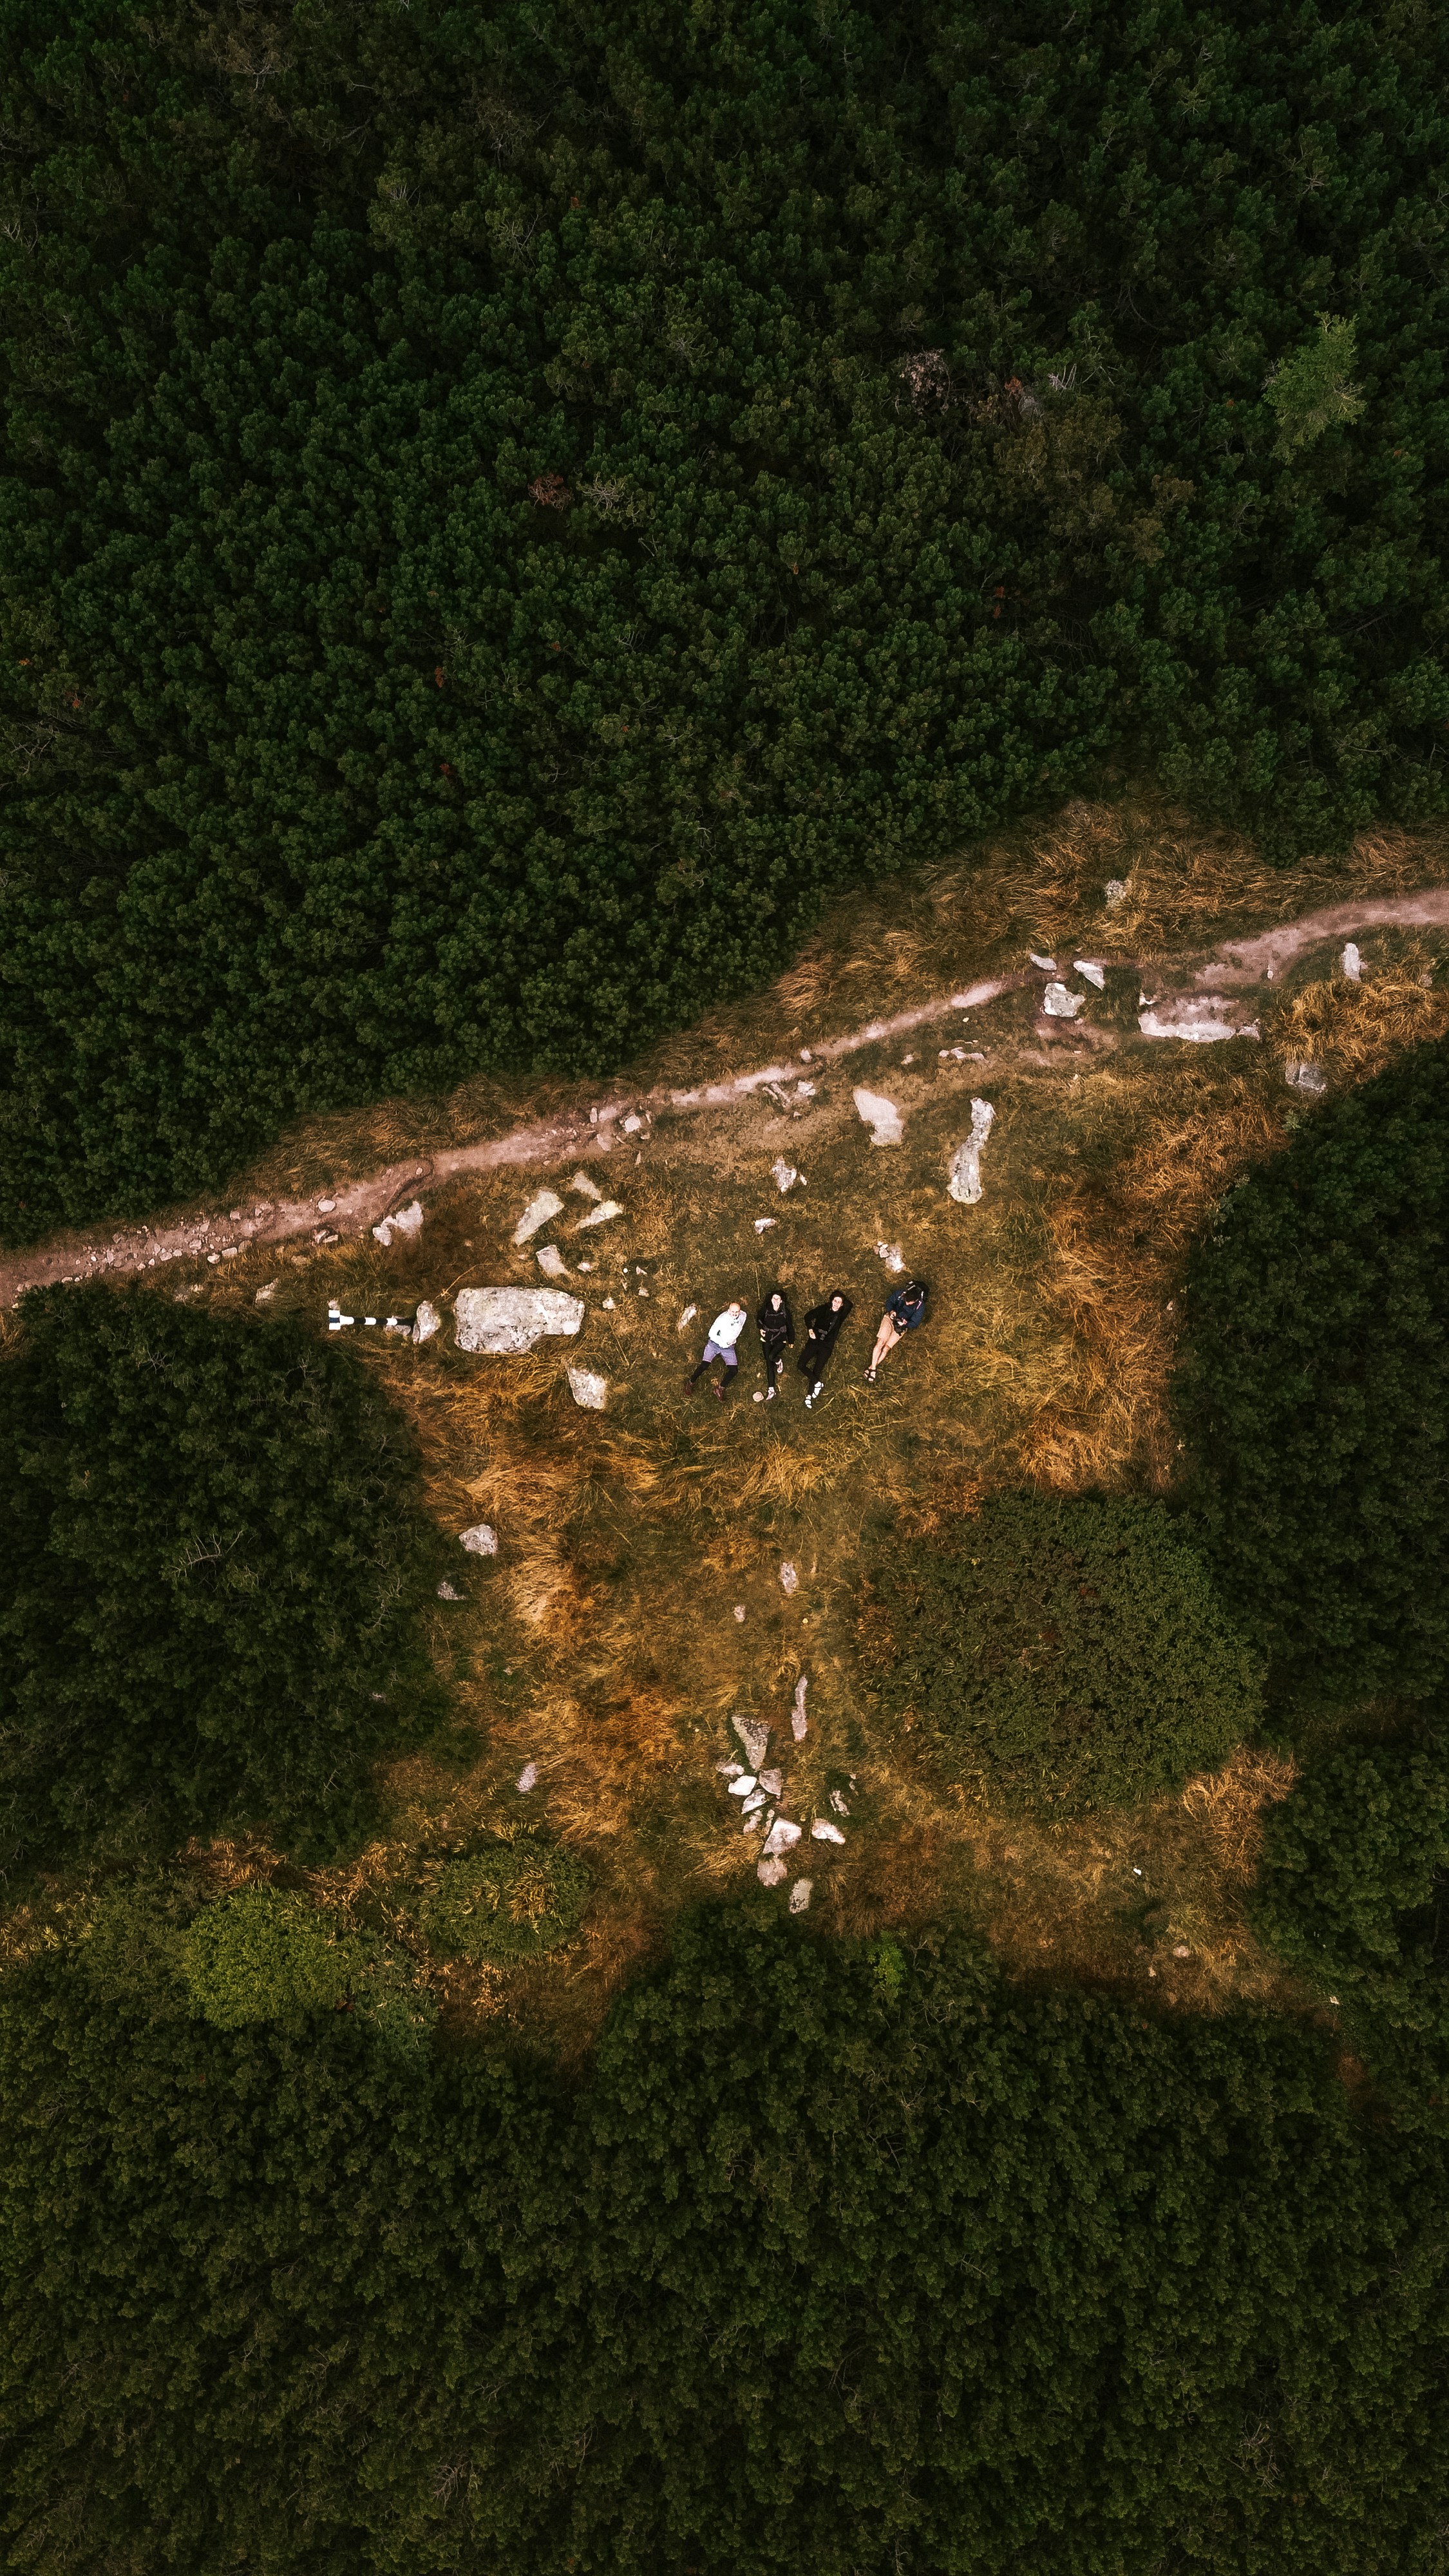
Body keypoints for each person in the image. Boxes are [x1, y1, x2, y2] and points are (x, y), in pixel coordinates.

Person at [797, 1289, 853, 1406]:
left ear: (842, 1304)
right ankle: (818, 1384)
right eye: (835, 1301)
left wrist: (841, 1300)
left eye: (839, 1302)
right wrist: (810, 1329)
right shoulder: (823, 1309)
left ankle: (809, 1396)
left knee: (817, 1370)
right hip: (815, 1340)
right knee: (801, 1365)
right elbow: (807, 1316)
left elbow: (850, 1305)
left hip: (827, 1345)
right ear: (831, 1301)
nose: (836, 1304)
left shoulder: (841, 1315)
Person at [866, 1278, 927, 1383]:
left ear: (916, 1301)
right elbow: (889, 1302)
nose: (907, 1303)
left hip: (901, 1327)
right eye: (906, 1301)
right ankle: (874, 1370)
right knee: (881, 1342)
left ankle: (871, 1367)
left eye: (910, 1303)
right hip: (890, 1319)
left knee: (886, 1348)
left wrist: (906, 1323)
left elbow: (915, 1324)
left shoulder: (920, 1307)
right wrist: (891, 1311)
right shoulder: (900, 1293)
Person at [687, 1301, 748, 1399]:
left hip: (729, 1348)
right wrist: (725, 1342)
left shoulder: (743, 1316)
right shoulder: (722, 1319)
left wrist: (731, 1341)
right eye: (733, 1312)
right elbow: (712, 1334)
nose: (735, 1314)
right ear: (729, 1311)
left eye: (737, 1312)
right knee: (704, 1365)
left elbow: (740, 1324)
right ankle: (691, 1382)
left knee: (734, 1370)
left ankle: (720, 1388)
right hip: (714, 1344)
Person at [755, 1288, 794, 1401]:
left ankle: (779, 1361)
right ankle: (771, 1390)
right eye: (774, 1298)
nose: (776, 1300)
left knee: (772, 1357)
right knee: (768, 1363)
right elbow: (759, 1319)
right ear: (771, 1299)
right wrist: (761, 1329)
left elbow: (790, 1326)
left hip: (780, 1338)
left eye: (778, 1299)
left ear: (781, 1301)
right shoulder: (766, 1309)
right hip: (767, 1338)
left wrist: (791, 1341)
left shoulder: (785, 1311)